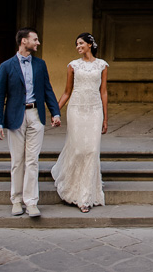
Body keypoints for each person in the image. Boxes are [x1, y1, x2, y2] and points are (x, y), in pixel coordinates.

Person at [0, 28, 61, 218]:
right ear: (24, 41)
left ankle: (31, 202)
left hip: (36, 115)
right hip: (15, 116)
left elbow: (48, 89)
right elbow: (0, 96)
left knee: (33, 160)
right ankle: (16, 200)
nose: (38, 43)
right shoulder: (6, 66)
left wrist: (55, 112)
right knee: (17, 161)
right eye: (35, 39)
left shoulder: (40, 64)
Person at [50, 32, 109, 213]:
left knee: (91, 150)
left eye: (81, 43)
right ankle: (72, 186)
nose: (78, 47)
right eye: (76, 44)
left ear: (90, 44)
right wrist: (55, 111)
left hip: (94, 110)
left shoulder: (102, 65)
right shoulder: (72, 66)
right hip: (76, 109)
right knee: (78, 149)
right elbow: (67, 92)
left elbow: (104, 92)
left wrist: (105, 118)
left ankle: (85, 196)